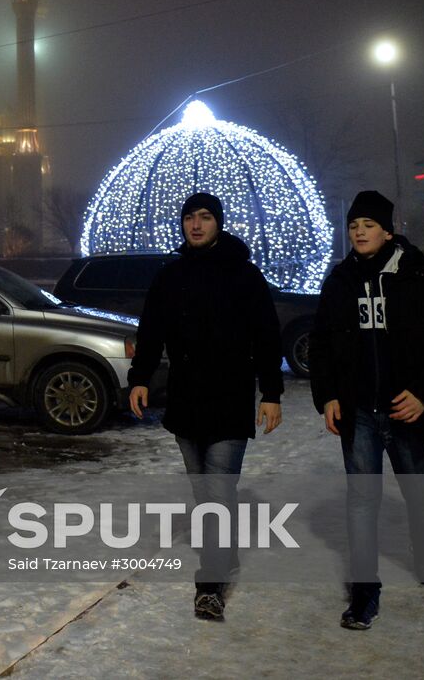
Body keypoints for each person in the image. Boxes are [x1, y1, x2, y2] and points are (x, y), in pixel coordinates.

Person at [309, 190, 424, 630]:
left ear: (388, 231)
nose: (359, 232)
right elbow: (321, 344)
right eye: (353, 226)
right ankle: (365, 593)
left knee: (419, 494)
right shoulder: (339, 282)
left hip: (406, 413)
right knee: (362, 500)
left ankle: (423, 545)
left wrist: (423, 393)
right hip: (359, 412)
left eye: (369, 225)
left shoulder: (420, 279)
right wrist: (328, 395)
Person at [128, 192, 284, 621]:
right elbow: (151, 331)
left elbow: (266, 335)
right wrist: (140, 378)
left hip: (230, 398)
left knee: (217, 492)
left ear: (219, 223)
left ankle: (209, 586)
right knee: (204, 492)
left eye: (205, 217)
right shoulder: (171, 275)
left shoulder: (243, 274)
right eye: (189, 218)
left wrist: (271, 393)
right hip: (186, 399)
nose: (195, 225)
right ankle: (224, 554)